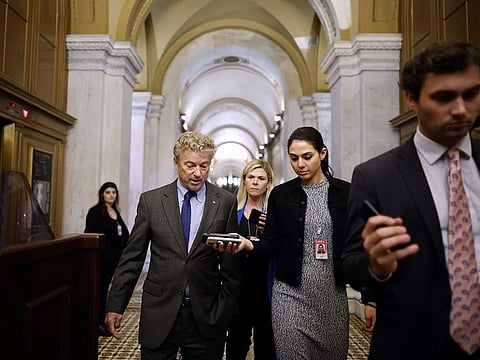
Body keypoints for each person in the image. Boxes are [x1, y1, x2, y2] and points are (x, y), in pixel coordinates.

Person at [341, 41, 480, 360]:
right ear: (412, 99)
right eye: (444, 97)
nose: (460, 109)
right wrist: (376, 266)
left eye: (471, 94)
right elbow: (350, 262)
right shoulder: (375, 175)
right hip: (410, 345)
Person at [105, 131, 241, 360]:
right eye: (190, 165)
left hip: (206, 316)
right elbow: (132, 258)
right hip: (159, 312)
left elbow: (230, 264)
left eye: (204, 166)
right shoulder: (152, 202)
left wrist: (226, 309)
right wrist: (116, 304)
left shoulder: (225, 201)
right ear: (176, 162)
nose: (198, 173)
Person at [234, 127, 351, 359]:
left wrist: (371, 298)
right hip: (288, 294)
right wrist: (248, 245)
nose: (300, 164)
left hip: (332, 295)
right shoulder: (281, 194)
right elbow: (271, 243)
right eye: (294, 158)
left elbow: (358, 244)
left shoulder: (345, 192)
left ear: (322, 153)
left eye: (307, 157)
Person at [225, 159, 277, 360]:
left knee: (266, 345)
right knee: (236, 344)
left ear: (268, 183)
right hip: (238, 288)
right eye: (251, 177)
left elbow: (280, 248)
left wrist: (272, 230)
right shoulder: (232, 213)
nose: (255, 182)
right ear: (244, 181)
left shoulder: (274, 215)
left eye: (261, 178)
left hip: (266, 287)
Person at [84, 181, 129, 337]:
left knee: (109, 291)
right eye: (108, 192)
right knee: (100, 290)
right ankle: (96, 322)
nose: (111, 195)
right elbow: (90, 234)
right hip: (101, 259)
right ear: (102, 194)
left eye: (114, 192)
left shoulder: (115, 211)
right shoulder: (95, 212)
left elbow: (123, 233)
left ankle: (105, 320)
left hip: (114, 260)